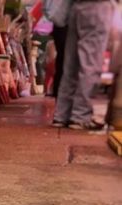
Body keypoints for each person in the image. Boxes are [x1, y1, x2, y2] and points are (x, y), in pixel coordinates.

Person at [52, 0, 113, 130]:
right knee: (90, 65)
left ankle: (62, 115)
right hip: (97, 6)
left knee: (71, 65)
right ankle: (80, 116)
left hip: (76, 7)